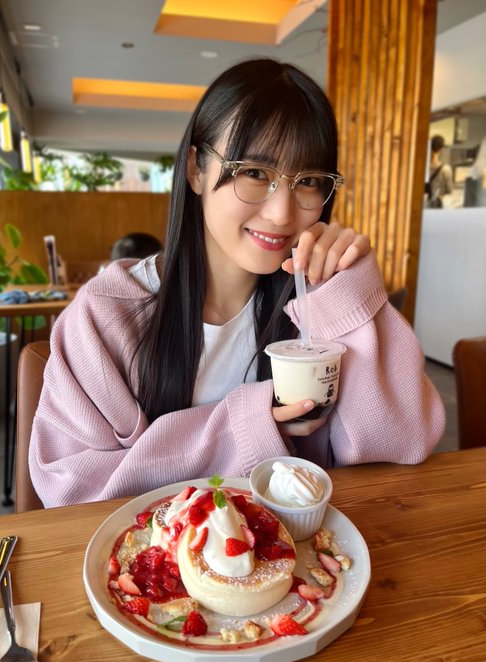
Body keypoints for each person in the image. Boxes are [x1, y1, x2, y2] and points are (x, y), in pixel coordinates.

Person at [29, 59, 445, 507]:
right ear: (196, 169)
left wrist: (347, 289)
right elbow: (73, 490)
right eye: (254, 172)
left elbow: (406, 444)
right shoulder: (106, 316)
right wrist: (250, 425)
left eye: (307, 181)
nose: (282, 213)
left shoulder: (318, 302)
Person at [426, 135, 453, 208]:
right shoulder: (446, 169)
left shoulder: (422, 167)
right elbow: (449, 190)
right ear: (441, 150)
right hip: (438, 206)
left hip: (424, 205)